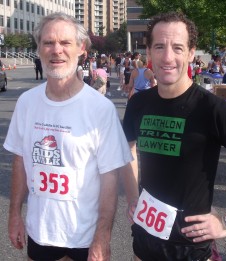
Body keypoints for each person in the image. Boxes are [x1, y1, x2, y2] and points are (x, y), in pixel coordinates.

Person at [121, 12, 226, 261]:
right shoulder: (139, 103)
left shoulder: (211, 108)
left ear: (190, 53)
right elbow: (128, 151)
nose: (167, 57)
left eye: (177, 47)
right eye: (160, 47)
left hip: (191, 249)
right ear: (149, 52)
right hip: (144, 243)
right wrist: (133, 198)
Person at [4, 12, 132, 261]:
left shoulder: (100, 108)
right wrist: (14, 215)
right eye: (48, 42)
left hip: (84, 236)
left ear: (80, 48)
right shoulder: (27, 103)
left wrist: (102, 236)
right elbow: (20, 161)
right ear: (39, 48)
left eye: (65, 43)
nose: (56, 50)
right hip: (40, 232)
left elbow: (109, 177)